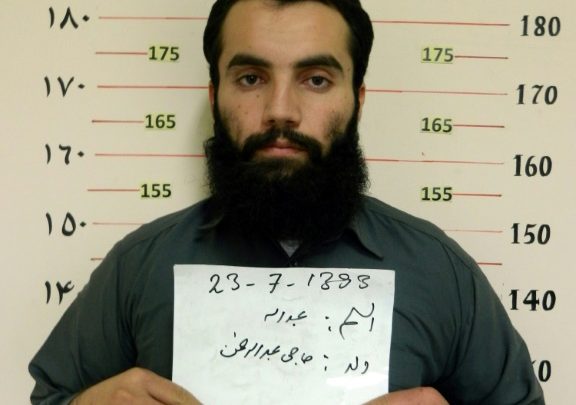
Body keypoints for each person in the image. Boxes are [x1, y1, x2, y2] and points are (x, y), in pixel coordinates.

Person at [29, 0, 545, 404]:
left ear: (357, 99)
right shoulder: (139, 266)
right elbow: (51, 394)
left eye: (316, 80)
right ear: (214, 96)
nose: (280, 111)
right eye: (251, 78)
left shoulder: (440, 271)